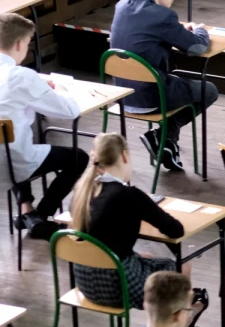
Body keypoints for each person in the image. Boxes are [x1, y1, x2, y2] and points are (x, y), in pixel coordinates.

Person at [110, 0, 218, 171]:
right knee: (209, 90)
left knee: (174, 81)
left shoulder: (122, 6)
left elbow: (148, 29)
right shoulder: (163, 16)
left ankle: (167, 143)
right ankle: (163, 136)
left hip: (121, 94)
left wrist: (177, 30)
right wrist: (200, 29)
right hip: (150, 96)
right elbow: (197, 47)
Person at [68, 133, 192, 311]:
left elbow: (102, 233)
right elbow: (175, 230)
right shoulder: (130, 195)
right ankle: (181, 320)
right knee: (182, 266)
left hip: (86, 282)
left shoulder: (82, 193)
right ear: (125, 155)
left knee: (144, 257)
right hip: (118, 286)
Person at [0, 12, 86, 240]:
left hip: (5, 154)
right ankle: (42, 214)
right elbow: (69, 111)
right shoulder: (20, 77)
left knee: (19, 141)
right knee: (78, 158)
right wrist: (58, 91)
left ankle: (27, 211)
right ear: (19, 44)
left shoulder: (21, 77)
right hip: (10, 162)